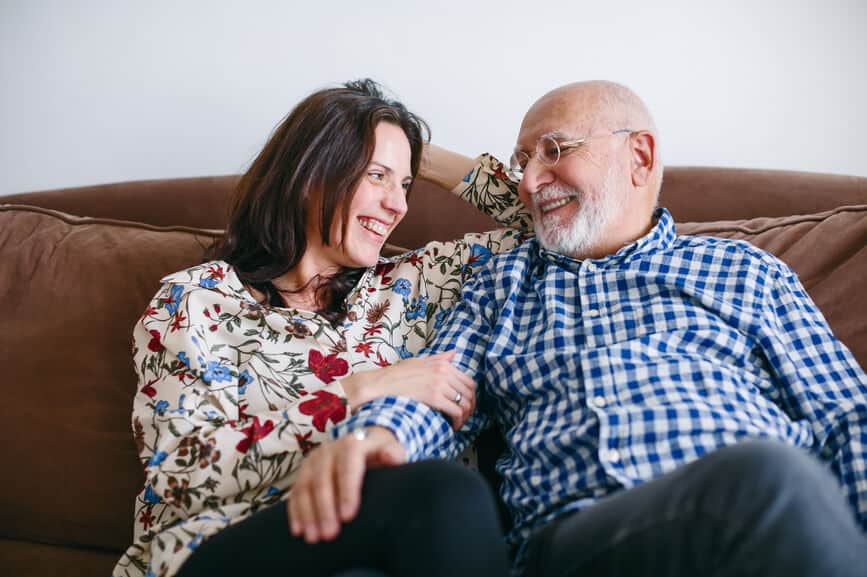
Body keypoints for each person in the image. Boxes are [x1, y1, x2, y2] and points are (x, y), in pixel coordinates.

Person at [292, 80, 867, 577]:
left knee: (771, 481)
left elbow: (847, 416)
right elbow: (436, 393)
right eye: (522, 163)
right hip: (580, 543)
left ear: (640, 157)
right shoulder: (500, 283)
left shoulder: (745, 271)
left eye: (554, 150)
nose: (529, 182)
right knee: (764, 481)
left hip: (769, 529)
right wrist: (377, 439)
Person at [112, 79, 533, 577]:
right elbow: (183, 472)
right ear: (311, 172)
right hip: (220, 548)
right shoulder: (197, 299)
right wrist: (360, 389)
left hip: (368, 541)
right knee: (448, 489)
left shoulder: (414, 286)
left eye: (405, 185)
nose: (398, 205)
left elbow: (548, 220)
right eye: (377, 175)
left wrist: (415, 151)